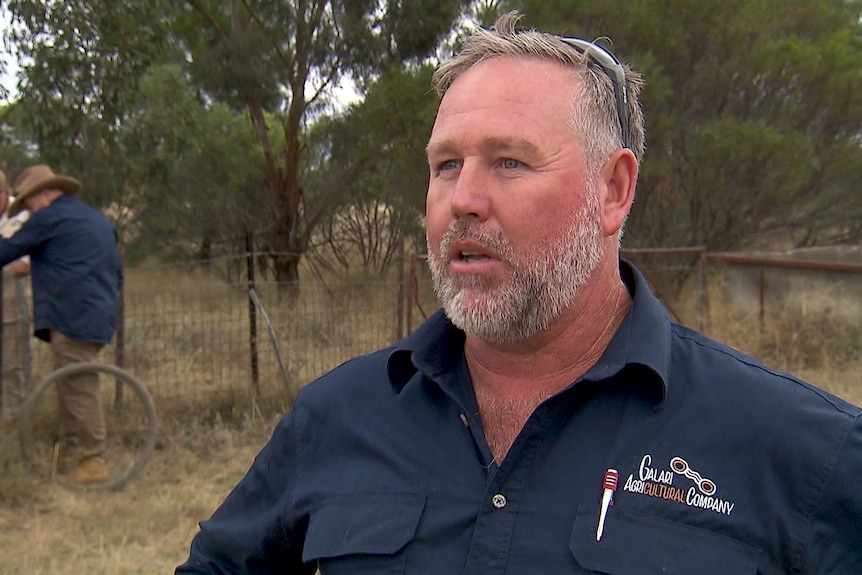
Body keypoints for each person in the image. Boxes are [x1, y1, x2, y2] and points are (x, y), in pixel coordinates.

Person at [177, 11, 862, 573]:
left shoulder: (799, 452)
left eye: (509, 161)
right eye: (446, 165)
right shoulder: (338, 416)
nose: (462, 200)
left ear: (613, 189)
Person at [0, 164, 123, 485]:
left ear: (45, 194)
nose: (28, 211)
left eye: (29, 203)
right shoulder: (94, 219)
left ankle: (93, 459)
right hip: (97, 312)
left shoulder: (49, 217)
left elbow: (6, 250)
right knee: (71, 383)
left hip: (71, 314)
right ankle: (72, 451)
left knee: (80, 386)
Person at [0, 169, 32, 432]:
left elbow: (22, 266)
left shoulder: (22, 218)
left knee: (13, 368)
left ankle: (15, 427)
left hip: (14, 305)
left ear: (4, 195)